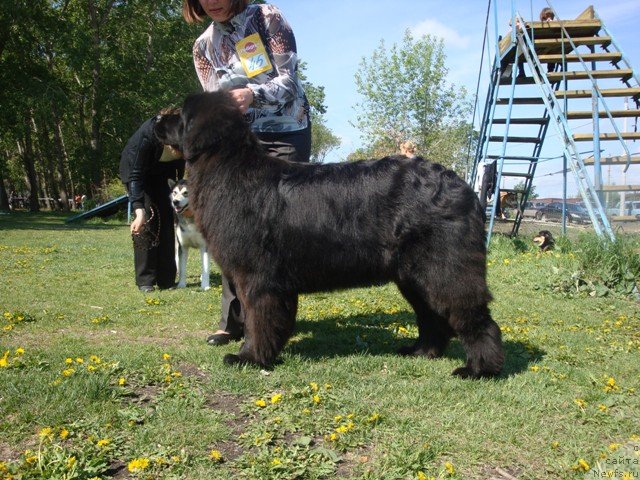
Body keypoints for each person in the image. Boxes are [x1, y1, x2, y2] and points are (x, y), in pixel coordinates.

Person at [182, 0, 311, 346]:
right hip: (237, 143)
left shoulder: (266, 18)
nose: (212, 2)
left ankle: (274, 325)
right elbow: (213, 105)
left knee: (282, 232)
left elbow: (290, 82)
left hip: (285, 131)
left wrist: (252, 95)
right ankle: (233, 323)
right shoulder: (202, 47)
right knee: (231, 228)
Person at [119, 109, 185, 293]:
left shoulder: (187, 132)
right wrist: (138, 210)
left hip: (163, 172)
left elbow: (183, 170)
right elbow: (136, 173)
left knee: (165, 218)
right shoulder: (149, 134)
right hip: (137, 173)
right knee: (148, 217)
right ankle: (145, 279)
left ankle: (166, 278)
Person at [539, 7, 558, 73]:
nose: (549, 19)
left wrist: (553, 24)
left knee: (553, 51)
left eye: (551, 17)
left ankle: (551, 70)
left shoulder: (556, 25)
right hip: (540, 47)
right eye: (547, 17)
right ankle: (538, 71)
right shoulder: (539, 25)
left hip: (551, 47)